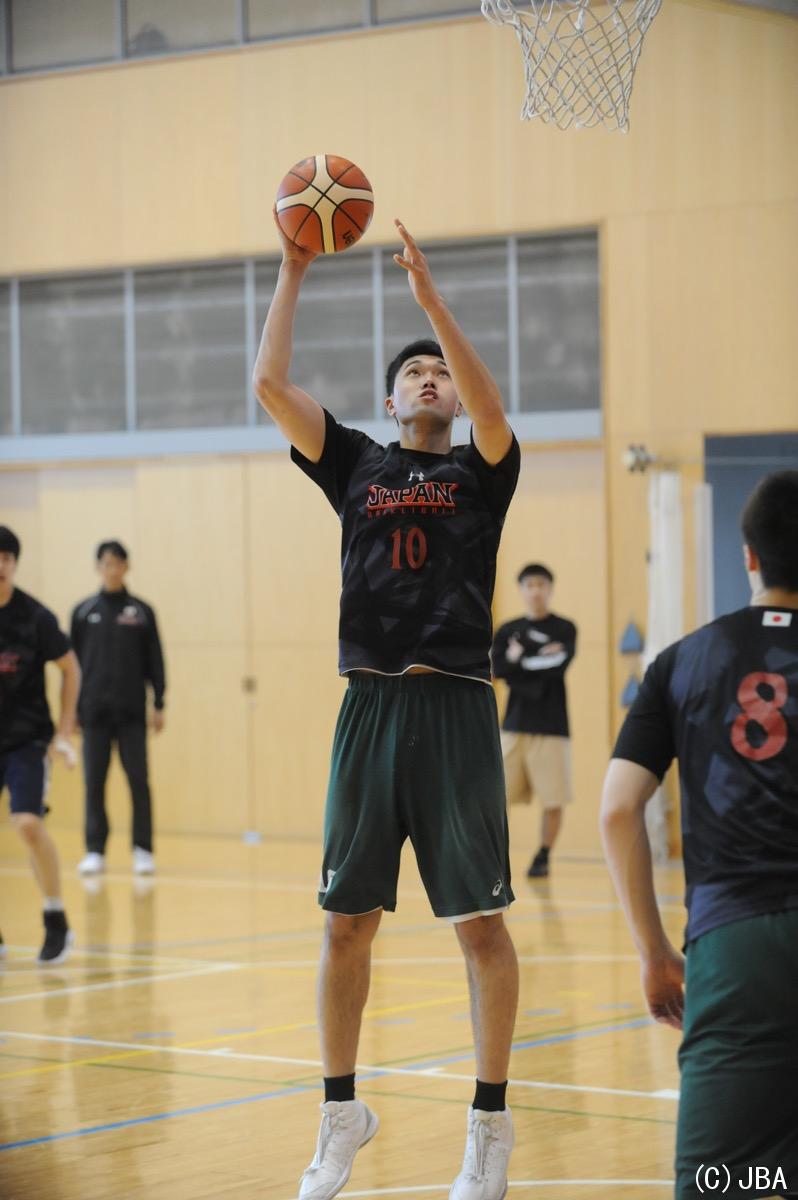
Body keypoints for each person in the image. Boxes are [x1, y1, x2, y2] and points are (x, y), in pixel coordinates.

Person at [253, 214, 521, 1200]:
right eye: (413, 372)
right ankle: (339, 1118)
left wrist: (432, 305)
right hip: (368, 709)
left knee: (481, 929)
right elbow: (269, 386)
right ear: (388, 400)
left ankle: (488, 1130)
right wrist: (293, 267)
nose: (429, 379)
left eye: (439, 371)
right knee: (344, 927)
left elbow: (491, 406)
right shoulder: (358, 464)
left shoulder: (482, 472)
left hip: (455, 711)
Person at [600, 470, 798, 1200]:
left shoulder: (684, 661)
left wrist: (654, 952)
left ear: (749, 557)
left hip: (735, 947)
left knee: (725, 1180)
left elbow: (619, 810)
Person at [0, 525, 80, 964]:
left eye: (6, 558)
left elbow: (71, 668)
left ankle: (55, 918)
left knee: (28, 824)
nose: (0, 565)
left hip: (27, 740)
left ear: (14, 564)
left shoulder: (35, 617)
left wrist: (64, 731)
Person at [71, 540, 165, 876]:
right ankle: (95, 850)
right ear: (98, 567)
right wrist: (71, 711)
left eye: (117, 563)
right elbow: (72, 667)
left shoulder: (141, 612)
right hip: (93, 712)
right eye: (106, 563)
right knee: (94, 782)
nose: (111, 569)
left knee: (138, 780)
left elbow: (155, 660)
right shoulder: (83, 612)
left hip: (131, 713)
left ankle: (143, 849)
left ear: (126, 567)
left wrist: (159, 702)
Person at [492, 564, 577, 878]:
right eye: (530, 585)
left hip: (552, 726)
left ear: (550, 589)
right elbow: (498, 669)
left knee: (553, 798)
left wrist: (518, 661)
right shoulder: (507, 630)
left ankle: (543, 856)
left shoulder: (565, 628)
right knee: (496, 795)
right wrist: (533, 658)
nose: (536, 591)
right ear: (522, 590)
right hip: (513, 725)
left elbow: (558, 665)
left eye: (542, 584)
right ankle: (494, 856)